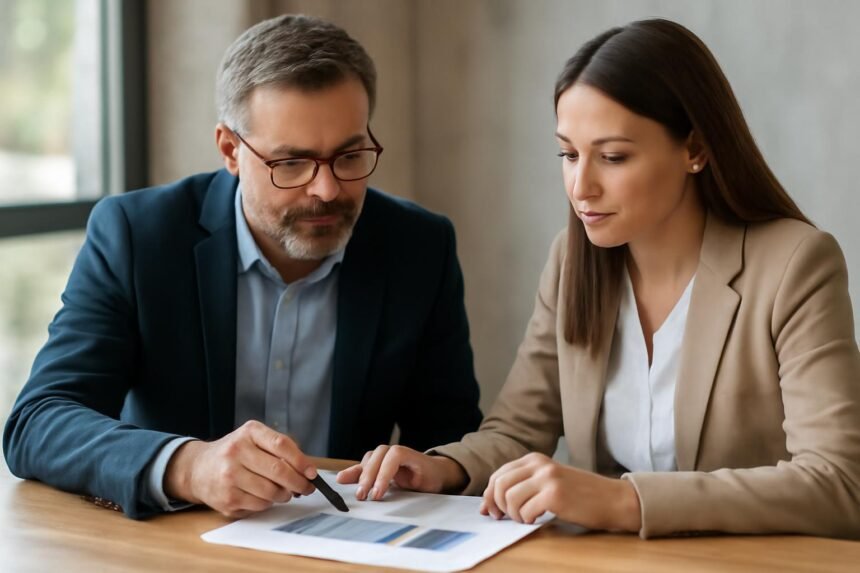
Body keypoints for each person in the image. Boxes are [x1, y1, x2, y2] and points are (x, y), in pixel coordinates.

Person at [337, 18, 860, 539]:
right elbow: (519, 429)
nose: (580, 186)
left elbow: (837, 484)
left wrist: (625, 500)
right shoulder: (572, 260)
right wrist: (443, 468)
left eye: (612, 157)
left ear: (695, 150)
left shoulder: (794, 264)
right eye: (568, 154)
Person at [2, 14, 482, 519]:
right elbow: (39, 421)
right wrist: (187, 466)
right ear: (230, 150)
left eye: (349, 155)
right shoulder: (138, 236)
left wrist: (433, 465)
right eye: (291, 163)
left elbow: (453, 441)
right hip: (178, 542)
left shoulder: (419, 246)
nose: (326, 189)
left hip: (349, 541)